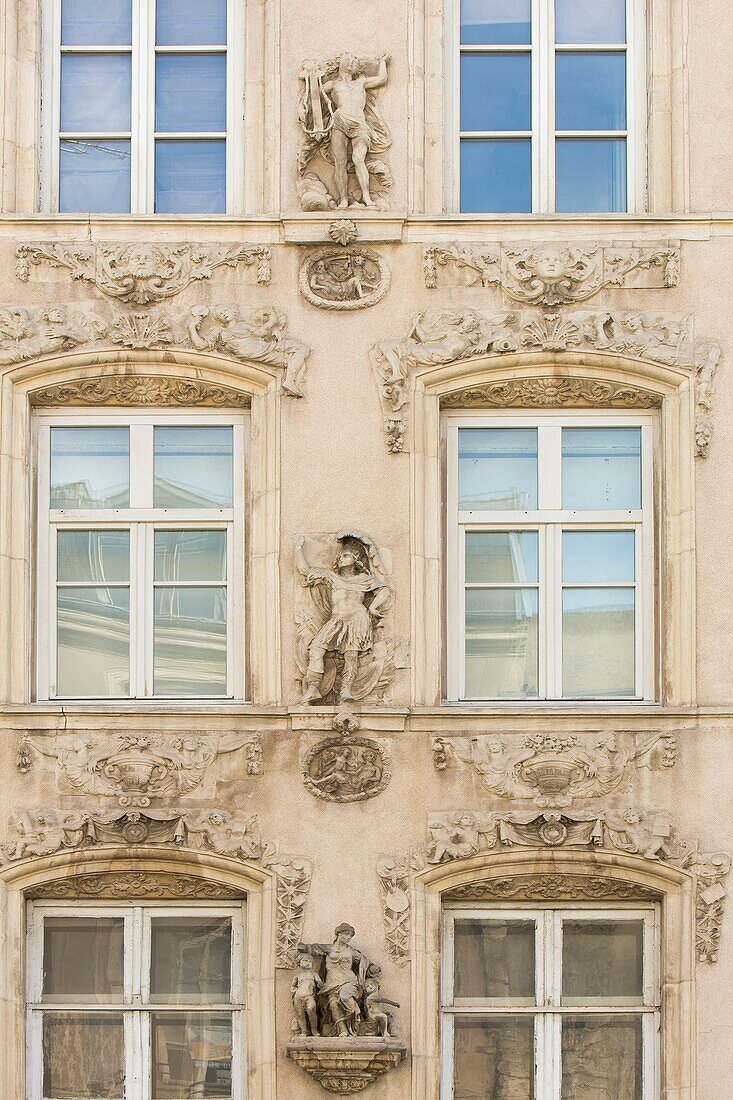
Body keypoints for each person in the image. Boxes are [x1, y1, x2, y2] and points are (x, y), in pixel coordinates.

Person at [322, 53, 390, 208]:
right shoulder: (333, 85)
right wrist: (311, 76)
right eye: (349, 59)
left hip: (359, 123)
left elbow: (381, 79)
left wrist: (382, 62)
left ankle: (366, 197)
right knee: (340, 163)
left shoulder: (361, 82)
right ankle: (343, 199)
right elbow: (314, 94)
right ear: (340, 63)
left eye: (354, 60)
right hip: (339, 122)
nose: (352, 62)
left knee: (359, 159)